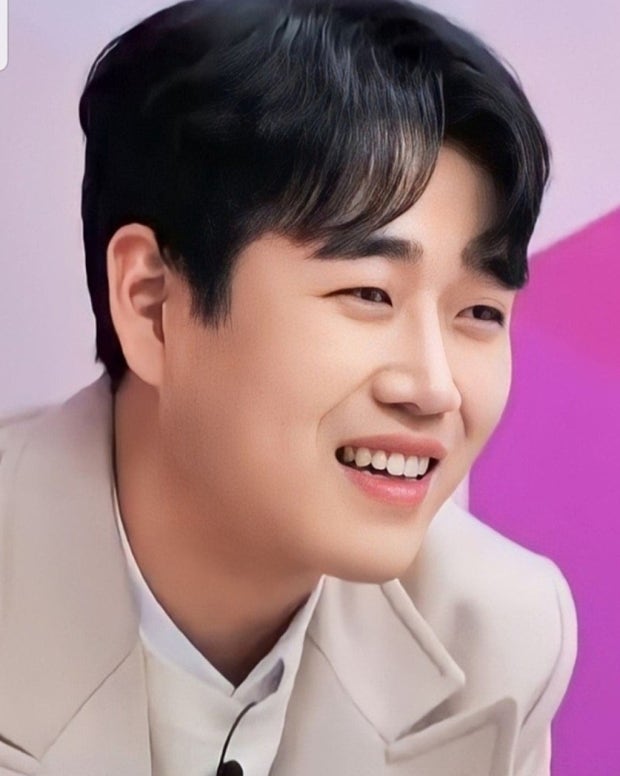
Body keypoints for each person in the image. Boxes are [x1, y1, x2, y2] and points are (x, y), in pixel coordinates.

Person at [0, 1, 577, 774]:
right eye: (368, 293)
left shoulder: (499, 638)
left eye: (479, 312)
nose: (434, 389)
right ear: (153, 304)